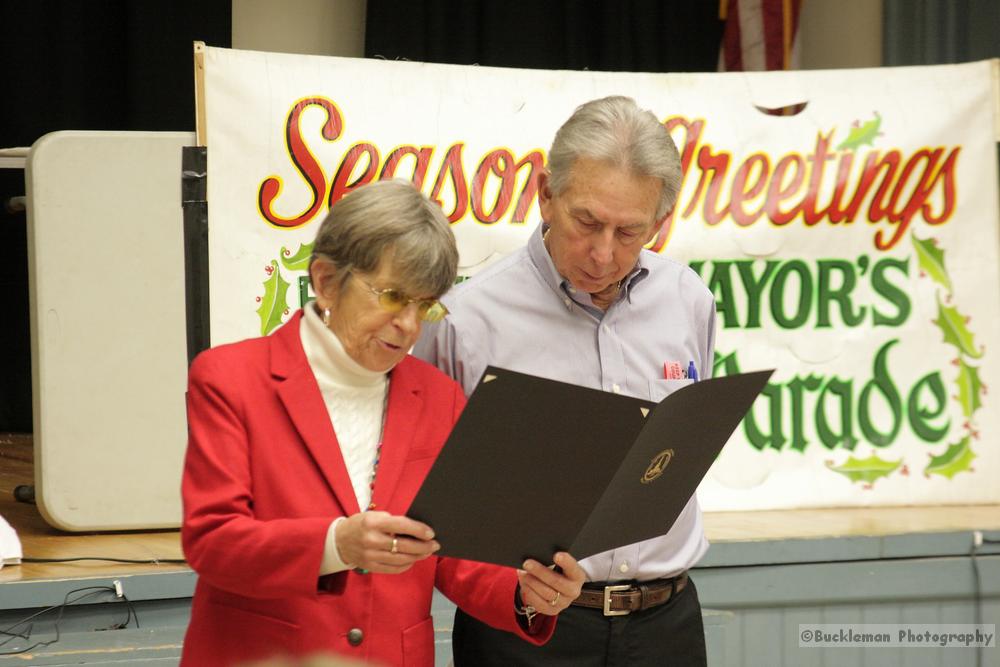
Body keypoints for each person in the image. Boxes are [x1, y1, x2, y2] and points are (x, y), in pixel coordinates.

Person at [180, 180, 585, 667]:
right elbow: (213, 542)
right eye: (393, 297)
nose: (410, 326)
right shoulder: (231, 379)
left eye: (425, 305)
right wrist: (336, 545)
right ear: (327, 280)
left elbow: (454, 552)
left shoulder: (439, 396)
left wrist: (525, 592)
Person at [414, 96, 715, 666]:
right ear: (545, 195)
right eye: (587, 222)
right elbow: (426, 489)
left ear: (661, 222)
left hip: (667, 623)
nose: (603, 255)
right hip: (524, 631)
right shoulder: (466, 319)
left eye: (630, 232)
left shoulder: (689, 301)